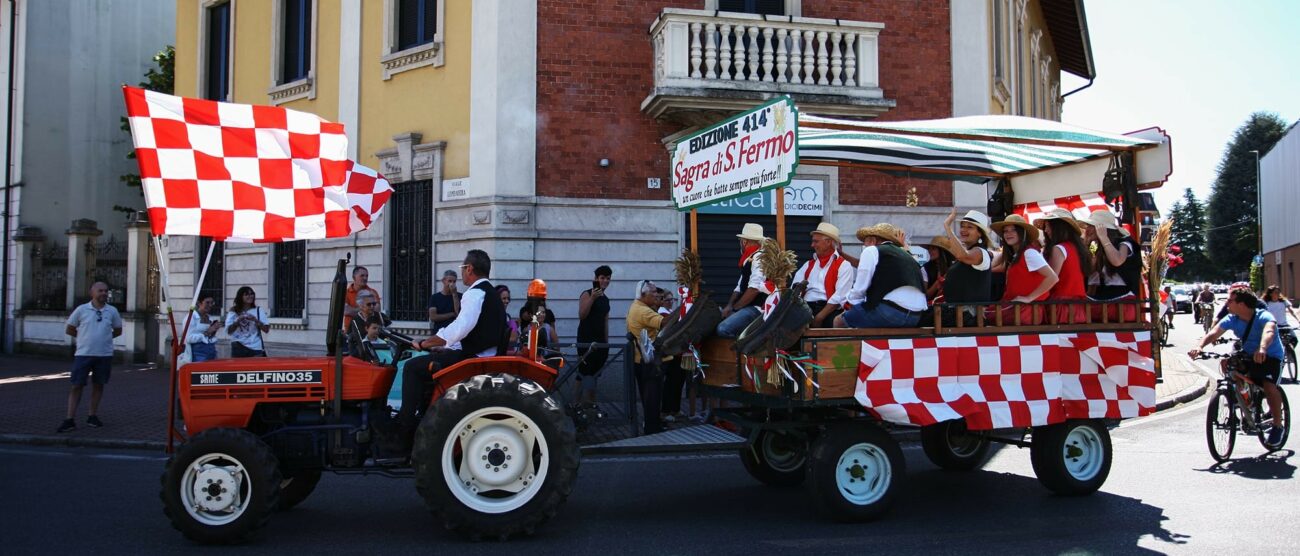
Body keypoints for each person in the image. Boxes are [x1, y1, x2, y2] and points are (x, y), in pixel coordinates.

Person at [395, 250, 507, 446]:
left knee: (413, 367)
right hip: (475, 353)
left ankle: (403, 430)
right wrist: (446, 346)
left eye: (463, 268)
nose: (462, 273)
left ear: (469, 269)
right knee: (427, 364)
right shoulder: (491, 293)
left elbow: (460, 328)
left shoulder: (475, 293)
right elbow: (474, 330)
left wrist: (426, 343)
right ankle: (422, 417)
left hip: (472, 358)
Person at [1189, 288, 1288, 448]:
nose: (1226, 303)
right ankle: (1244, 402)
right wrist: (1199, 346)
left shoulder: (1263, 316)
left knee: (1269, 387)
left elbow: (1269, 331)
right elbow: (1214, 333)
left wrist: (1262, 348)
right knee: (1228, 365)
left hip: (1270, 356)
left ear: (1241, 304)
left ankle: (1277, 425)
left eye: (1230, 301)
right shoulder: (1232, 318)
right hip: (1248, 354)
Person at [58, 282, 123, 433]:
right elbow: (70, 328)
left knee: (99, 385)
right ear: (92, 292)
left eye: (106, 291)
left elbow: (118, 330)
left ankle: (92, 415)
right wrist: (83, 339)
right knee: (76, 385)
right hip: (83, 354)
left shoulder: (112, 311)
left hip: (104, 355)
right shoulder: (81, 310)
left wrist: (106, 338)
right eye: (100, 291)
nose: (104, 293)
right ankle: (70, 418)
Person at [834, 223, 928, 328]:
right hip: (916, 317)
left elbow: (859, 290)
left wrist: (849, 306)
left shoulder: (871, 250)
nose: (864, 246)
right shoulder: (908, 255)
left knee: (839, 321)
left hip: (889, 313)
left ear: (872, 241)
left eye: (865, 243)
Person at [991, 214, 1058, 324]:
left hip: (1025, 312)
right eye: (1006, 231)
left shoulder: (1029, 252)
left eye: (1013, 230)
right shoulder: (1016, 254)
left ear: (1022, 233)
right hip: (1016, 310)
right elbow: (991, 265)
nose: (1008, 234)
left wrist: (1029, 298)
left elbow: (1052, 277)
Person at [938, 209, 996, 325]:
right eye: (962, 226)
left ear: (980, 233)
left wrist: (948, 227)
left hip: (968, 315)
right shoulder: (973, 251)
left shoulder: (980, 252)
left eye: (969, 227)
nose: (964, 230)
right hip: (958, 313)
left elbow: (961, 255)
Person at [796, 222, 855, 328]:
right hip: (805, 308)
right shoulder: (808, 265)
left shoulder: (844, 265)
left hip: (829, 310)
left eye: (816, 241)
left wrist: (819, 317)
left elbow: (840, 296)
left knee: (832, 330)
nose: (812, 245)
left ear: (828, 242)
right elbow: (795, 289)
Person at [716, 223, 770, 338]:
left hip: (757, 309)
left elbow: (754, 289)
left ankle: (741, 351)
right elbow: (739, 286)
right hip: (748, 306)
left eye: (740, 241)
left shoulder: (759, 258)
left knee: (723, 329)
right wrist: (729, 306)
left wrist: (734, 309)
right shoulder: (750, 258)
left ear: (744, 242)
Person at [627, 280, 667, 434]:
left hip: (641, 359)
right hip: (648, 361)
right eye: (653, 292)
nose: (657, 295)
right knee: (652, 398)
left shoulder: (637, 306)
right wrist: (682, 312)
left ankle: (652, 425)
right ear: (643, 295)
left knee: (650, 396)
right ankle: (652, 429)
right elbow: (664, 323)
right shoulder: (644, 311)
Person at [1037, 209, 1090, 324]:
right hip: (1079, 307)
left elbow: (1051, 279)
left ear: (1058, 227)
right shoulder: (1079, 249)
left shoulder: (1059, 248)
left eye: (1048, 226)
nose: (1046, 230)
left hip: (1061, 307)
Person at [575, 265, 612, 413]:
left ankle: (590, 404)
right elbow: (582, 315)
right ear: (596, 279)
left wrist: (606, 343)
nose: (605, 281)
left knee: (595, 375)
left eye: (608, 279)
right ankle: (576, 405)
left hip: (600, 343)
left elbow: (605, 322)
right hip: (586, 340)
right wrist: (592, 298)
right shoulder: (586, 294)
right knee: (582, 374)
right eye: (602, 278)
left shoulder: (606, 300)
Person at [1083, 210, 1141, 302]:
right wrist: (1089, 246)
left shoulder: (1124, 242)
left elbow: (1117, 261)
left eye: (1091, 226)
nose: (1087, 229)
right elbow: (1089, 271)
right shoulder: (1094, 246)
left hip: (1123, 295)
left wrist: (1104, 238)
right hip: (1103, 294)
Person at [226, 286, 271, 357]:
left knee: (256, 368)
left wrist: (255, 320)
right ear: (241, 297)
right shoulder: (233, 310)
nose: (250, 296)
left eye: (251, 294)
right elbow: (228, 331)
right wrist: (238, 321)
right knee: (239, 368)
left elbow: (266, 329)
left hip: (256, 347)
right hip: (238, 346)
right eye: (246, 294)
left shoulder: (258, 310)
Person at [185, 295, 222, 363]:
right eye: (207, 303)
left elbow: (209, 337)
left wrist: (214, 330)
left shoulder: (210, 318)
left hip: (211, 351)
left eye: (212, 303)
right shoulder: (191, 318)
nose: (210, 305)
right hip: (197, 353)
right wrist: (208, 332)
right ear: (199, 303)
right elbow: (189, 338)